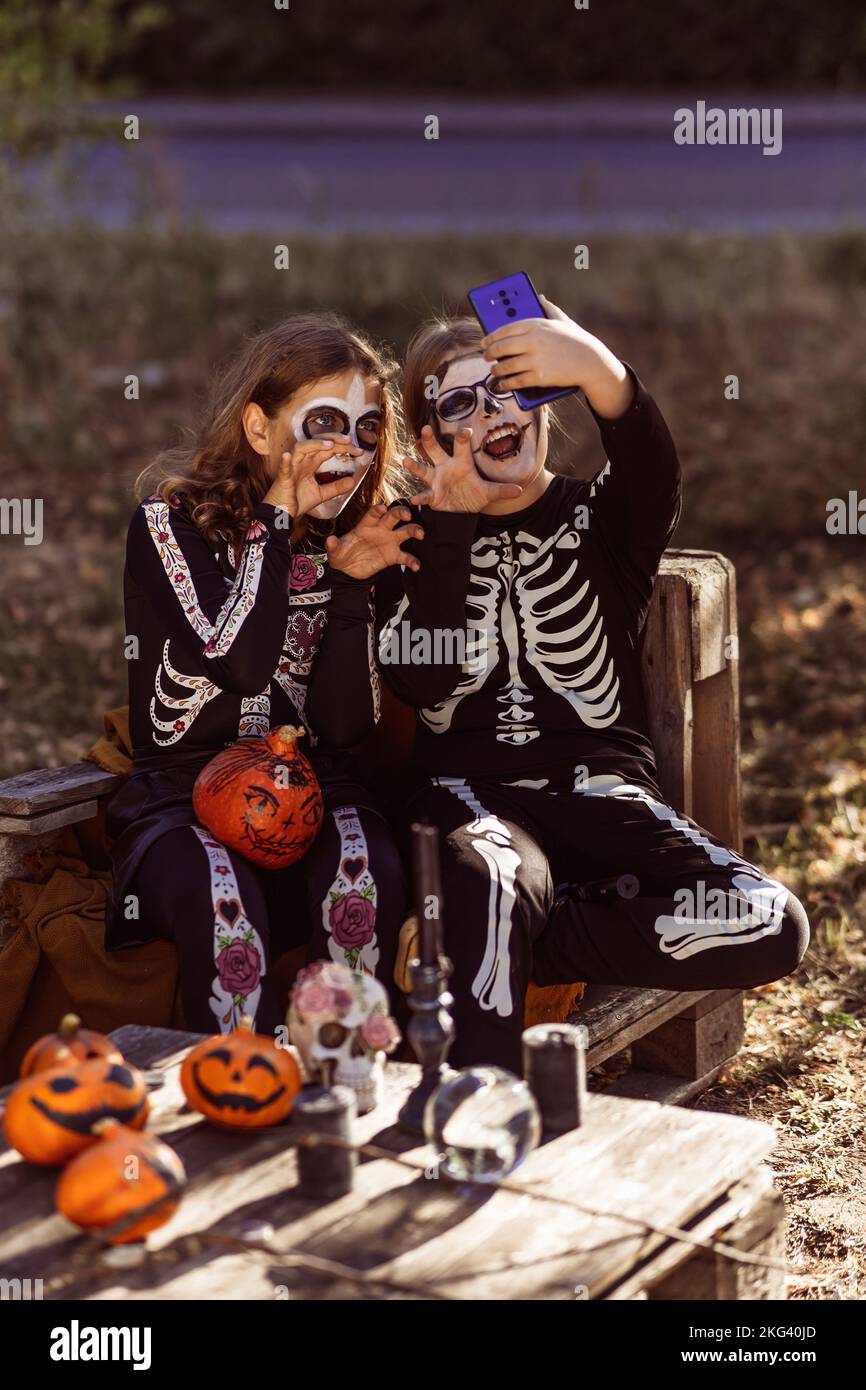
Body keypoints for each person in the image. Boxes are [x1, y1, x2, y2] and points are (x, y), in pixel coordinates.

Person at [365, 298, 810, 1071]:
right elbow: (422, 676)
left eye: (510, 388)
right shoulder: (408, 541)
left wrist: (598, 371)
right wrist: (451, 531)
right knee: (496, 880)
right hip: (473, 807)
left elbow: (652, 465)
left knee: (770, 921)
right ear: (430, 441)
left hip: (603, 796)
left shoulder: (602, 520)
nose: (492, 413)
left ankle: (535, 934)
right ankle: (489, 1113)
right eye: (460, 404)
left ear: (544, 403)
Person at [105, 315, 419, 1034]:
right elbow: (242, 664)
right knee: (225, 904)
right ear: (258, 428)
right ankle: (247, 1085)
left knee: (365, 871)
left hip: (313, 787)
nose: (350, 447)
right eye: (325, 423)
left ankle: (347, 1082)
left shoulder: (354, 537)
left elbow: (344, 729)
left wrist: (347, 587)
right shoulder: (172, 523)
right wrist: (275, 518)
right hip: (183, 796)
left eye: (368, 430)